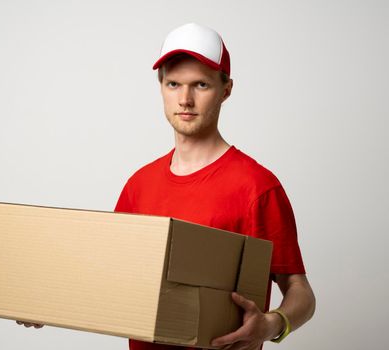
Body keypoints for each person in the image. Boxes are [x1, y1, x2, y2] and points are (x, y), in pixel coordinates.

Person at [18, 22, 316, 350]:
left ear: (226, 89)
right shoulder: (139, 185)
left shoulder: (257, 187)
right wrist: (45, 302)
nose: (185, 99)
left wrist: (273, 324)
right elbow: (108, 275)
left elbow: (300, 291)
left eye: (200, 85)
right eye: (174, 84)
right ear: (161, 87)